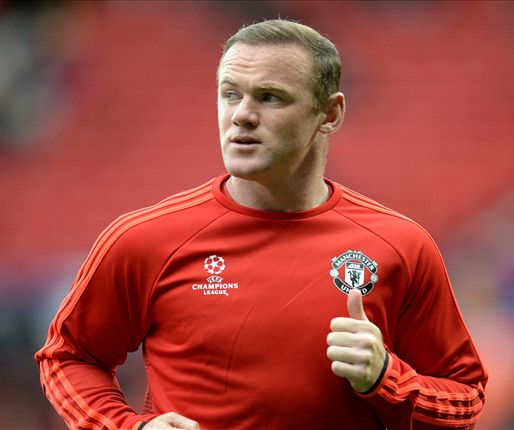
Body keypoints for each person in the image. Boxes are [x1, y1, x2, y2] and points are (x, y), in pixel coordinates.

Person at [35, 19, 487, 430]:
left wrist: (386, 378)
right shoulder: (145, 239)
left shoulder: (400, 245)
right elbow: (68, 356)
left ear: (330, 114)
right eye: (230, 94)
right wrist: (127, 427)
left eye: (270, 97)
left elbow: (465, 399)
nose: (242, 115)